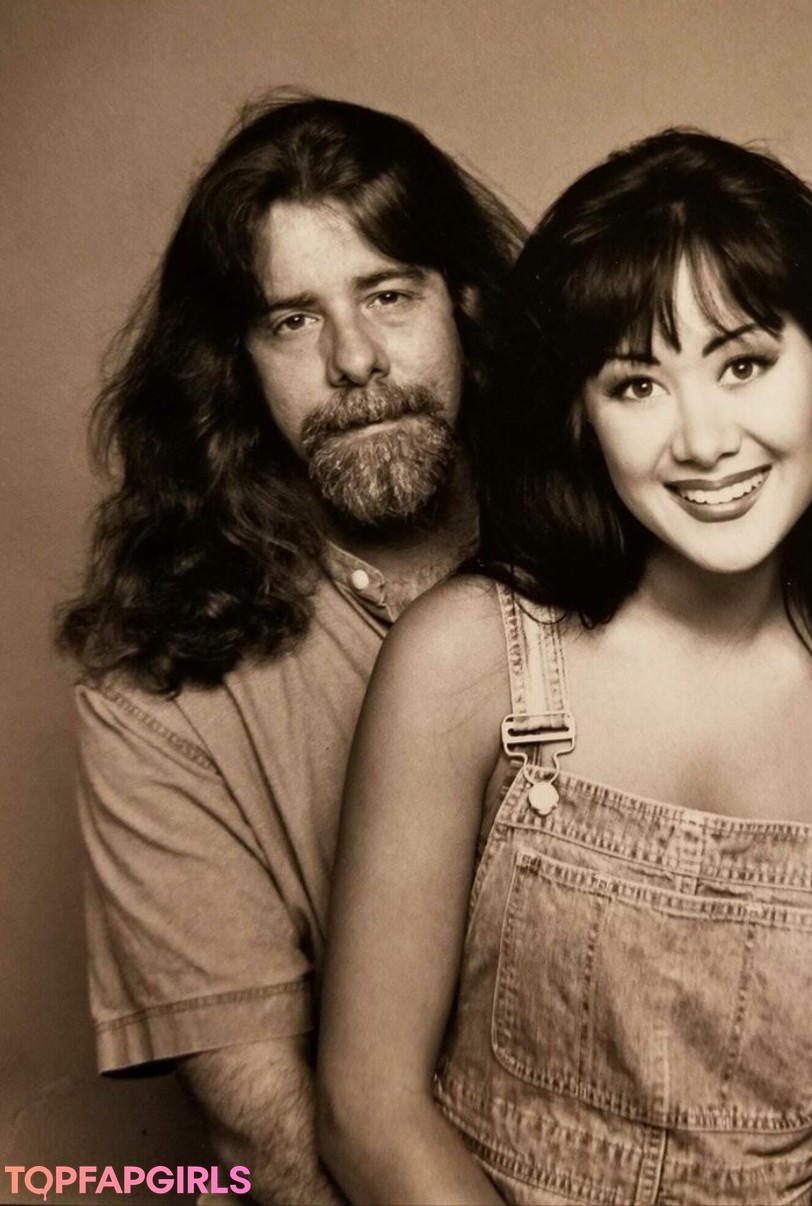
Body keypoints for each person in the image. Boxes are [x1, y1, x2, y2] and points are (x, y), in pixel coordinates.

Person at [318, 129, 812, 1203]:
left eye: (744, 365)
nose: (704, 440)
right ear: (581, 417)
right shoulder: (468, 659)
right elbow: (367, 1109)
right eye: (637, 385)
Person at [57, 94, 523, 1204]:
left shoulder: (637, 526)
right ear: (236, 366)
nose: (354, 359)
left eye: (389, 295)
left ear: (464, 302)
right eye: (293, 321)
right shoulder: (155, 696)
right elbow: (266, 1141)